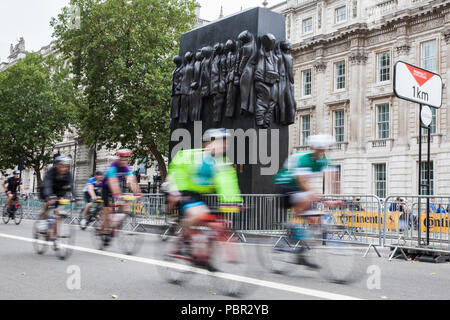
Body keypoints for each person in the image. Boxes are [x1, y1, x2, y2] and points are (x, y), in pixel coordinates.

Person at [167, 128, 242, 271]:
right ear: (208, 144)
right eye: (221, 142)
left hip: (200, 196)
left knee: (217, 225)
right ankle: (181, 238)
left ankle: (205, 257)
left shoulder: (222, 163)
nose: (224, 146)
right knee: (197, 214)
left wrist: (233, 202)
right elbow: (177, 171)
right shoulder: (190, 156)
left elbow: (228, 183)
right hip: (184, 191)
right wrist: (176, 192)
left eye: (226, 143)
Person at [273, 134, 338, 268]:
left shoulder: (323, 160)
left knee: (315, 221)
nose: (321, 153)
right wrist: (317, 195)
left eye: (323, 150)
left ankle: (302, 254)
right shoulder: (303, 159)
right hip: (285, 186)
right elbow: (301, 182)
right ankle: (290, 226)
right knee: (306, 200)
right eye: (319, 150)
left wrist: (337, 197)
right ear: (313, 149)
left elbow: (334, 179)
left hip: (298, 189)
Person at [98, 149, 141, 246]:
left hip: (118, 188)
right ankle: (102, 229)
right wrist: (118, 195)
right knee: (107, 209)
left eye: (126, 159)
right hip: (107, 188)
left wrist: (138, 193)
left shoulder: (126, 168)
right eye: (122, 159)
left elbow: (131, 181)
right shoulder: (112, 167)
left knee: (126, 206)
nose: (124, 161)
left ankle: (115, 224)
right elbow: (113, 182)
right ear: (119, 158)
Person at [37, 156, 77, 249]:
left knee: (58, 215)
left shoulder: (68, 174)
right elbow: (47, 184)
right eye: (62, 166)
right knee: (48, 203)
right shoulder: (51, 171)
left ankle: (56, 238)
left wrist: (77, 197)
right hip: (47, 190)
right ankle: (42, 219)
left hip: (59, 192)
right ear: (56, 165)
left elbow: (72, 185)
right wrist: (49, 196)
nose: (64, 169)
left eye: (66, 166)